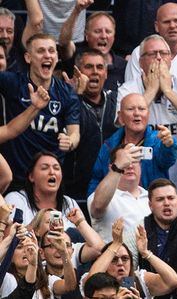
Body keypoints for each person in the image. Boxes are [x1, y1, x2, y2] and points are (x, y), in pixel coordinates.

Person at [117, 34, 177, 198]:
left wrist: (168, 92)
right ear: (140, 62)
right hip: (141, 187)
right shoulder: (128, 90)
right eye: (152, 54)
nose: (158, 58)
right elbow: (123, 123)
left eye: (163, 54)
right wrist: (151, 90)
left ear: (170, 59)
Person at [0, 33, 80, 185]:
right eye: (41, 51)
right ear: (28, 57)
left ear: (57, 57)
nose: (47, 55)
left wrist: (70, 141)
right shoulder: (14, 83)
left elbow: (75, 133)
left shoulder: (67, 93)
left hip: (50, 180)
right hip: (18, 178)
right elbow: (10, 130)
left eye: (51, 51)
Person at [82, 218, 177, 299]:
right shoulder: (90, 280)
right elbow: (92, 280)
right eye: (114, 259)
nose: (120, 263)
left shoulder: (138, 280)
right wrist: (115, 245)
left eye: (125, 259)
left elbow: (172, 281)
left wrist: (146, 253)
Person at [87, 93, 177, 196]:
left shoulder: (158, 140)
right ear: (120, 117)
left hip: (150, 205)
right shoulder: (109, 145)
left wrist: (169, 145)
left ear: (148, 115)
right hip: (118, 205)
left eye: (142, 109)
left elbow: (167, 160)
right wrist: (93, 203)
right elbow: (97, 179)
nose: (137, 113)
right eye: (130, 109)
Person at [63, 49, 120, 200]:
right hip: (75, 191)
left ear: (106, 73)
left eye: (100, 67)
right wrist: (77, 95)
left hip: (112, 187)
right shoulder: (67, 102)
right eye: (88, 67)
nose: (95, 72)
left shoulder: (117, 100)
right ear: (77, 73)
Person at [88, 144, 150, 242]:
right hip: (117, 256)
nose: (130, 165)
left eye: (134, 161)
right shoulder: (100, 196)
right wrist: (118, 168)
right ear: (111, 167)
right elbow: (98, 206)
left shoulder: (151, 197)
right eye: (124, 162)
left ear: (140, 166)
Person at [4, 152, 83, 229]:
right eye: (44, 168)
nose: (52, 172)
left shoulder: (69, 202)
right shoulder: (15, 199)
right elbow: (9, 237)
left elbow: (87, 238)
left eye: (56, 168)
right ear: (31, 176)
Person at [59, 12, 127, 93]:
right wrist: (76, 11)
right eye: (98, 31)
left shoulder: (124, 66)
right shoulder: (76, 58)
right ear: (86, 36)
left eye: (108, 32)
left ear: (114, 36)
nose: (104, 36)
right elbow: (64, 43)